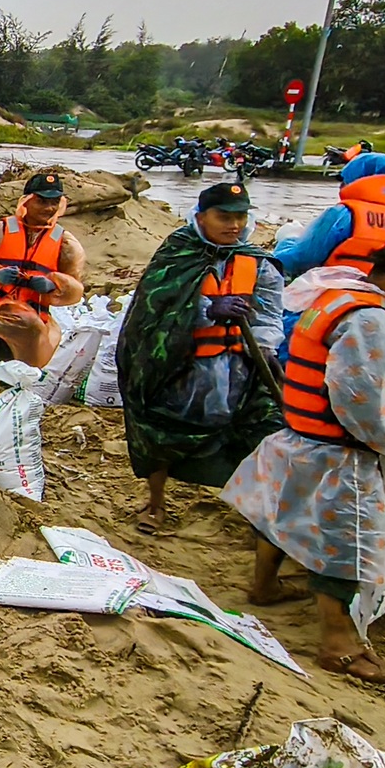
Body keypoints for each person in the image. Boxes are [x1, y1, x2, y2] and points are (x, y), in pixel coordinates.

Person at [223, 234, 385, 682]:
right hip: (337, 452)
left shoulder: (337, 292)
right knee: (346, 544)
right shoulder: (371, 319)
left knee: (281, 512)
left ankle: (264, 586)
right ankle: (338, 644)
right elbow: (360, 398)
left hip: (298, 436)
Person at [117, 182, 284, 535]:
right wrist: (207, 309)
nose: (233, 225)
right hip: (181, 364)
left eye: (240, 217)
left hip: (240, 365)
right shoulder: (177, 254)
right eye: (224, 217)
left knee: (267, 431)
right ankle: (156, 503)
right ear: (201, 217)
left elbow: (270, 314)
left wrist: (267, 346)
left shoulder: (259, 263)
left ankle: (254, 510)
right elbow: (156, 309)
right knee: (160, 431)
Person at [0, 171, 87, 401]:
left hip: (30, 322)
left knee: (18, 375)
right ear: (27, 200)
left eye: (54, 202)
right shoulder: (1, 230)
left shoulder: (64, 242)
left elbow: (75, 288)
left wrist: (52, 285)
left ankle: (6, 416)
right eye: (42, 201)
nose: (49, 208)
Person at [273, 152, 385, 351]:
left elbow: (300, 258)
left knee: (286, 342)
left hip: (332, 310)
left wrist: (287, 239)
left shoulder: (343, 214)